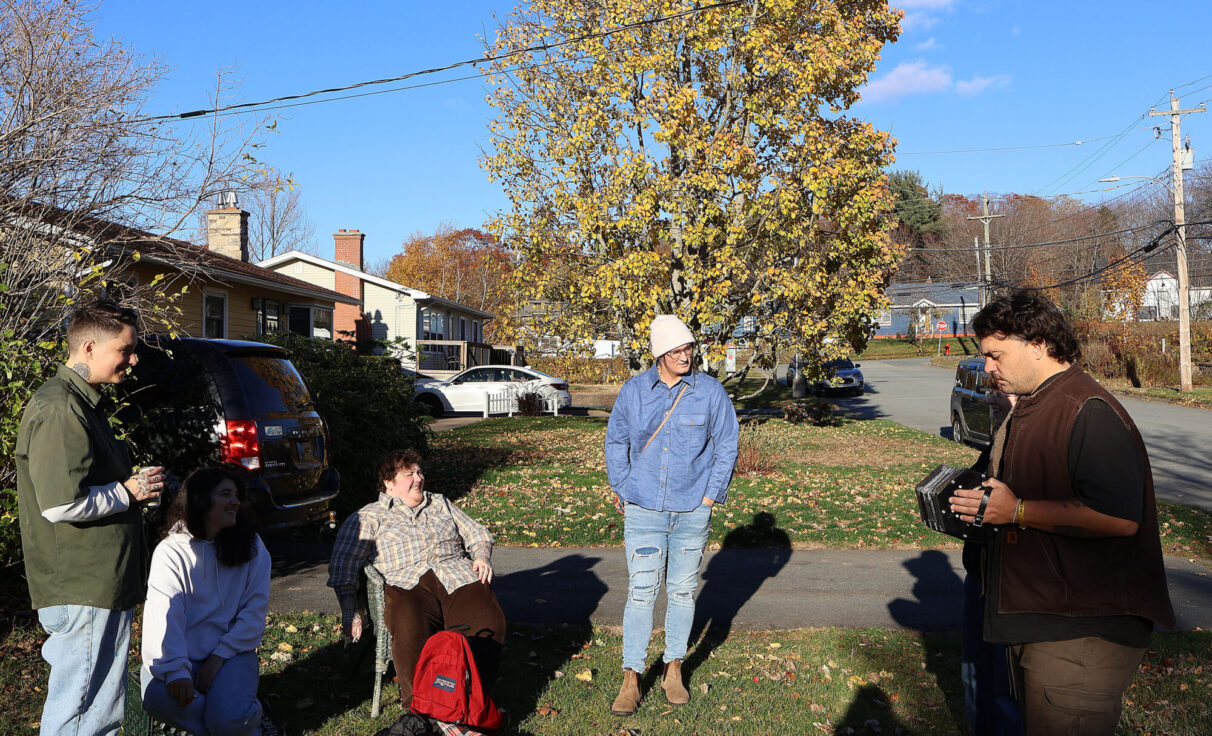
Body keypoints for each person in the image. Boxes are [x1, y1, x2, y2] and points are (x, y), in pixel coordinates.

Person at [950, 291, 1174, 736]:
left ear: (1038, 344)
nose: (988, 368)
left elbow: (1118, 517)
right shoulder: (1036, 405)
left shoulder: (1086, 410)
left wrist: (1016, 511)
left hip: (1082, 635)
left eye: (996, 355)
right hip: (1048, 621)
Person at [16, 300, 165, 735]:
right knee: (77, 712)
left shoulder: (84, 403)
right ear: (88, 347)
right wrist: (128, 491)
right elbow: (62, 503)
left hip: (101, 585)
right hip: (82, 587)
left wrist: (132, 491)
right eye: (125, 350)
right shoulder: (61, 408)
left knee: (99, 711)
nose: (133, 359)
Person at [604, 314, 739, 716]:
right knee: (641, 593)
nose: (686, 355)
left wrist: (710, 497)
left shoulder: (710, 392)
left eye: (689, 348)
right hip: (643, 508)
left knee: (681, 592)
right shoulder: (633, 392)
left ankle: (674, 668)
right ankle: (632, 676)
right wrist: (624, 487)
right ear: (659, 354)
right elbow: (616, 441)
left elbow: (726, 444)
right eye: (677, 350)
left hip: (692, 510)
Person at [327, 448, 507, 709]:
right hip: (405, 584)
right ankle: (419, 706)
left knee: (488, 620)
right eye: (408, 474)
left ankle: (473, 696)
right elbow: (344, 564)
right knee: (411, 625)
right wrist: (350, 609)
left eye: (419, 471)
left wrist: (481, 556)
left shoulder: (440, 503)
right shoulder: (368, 517)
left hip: (455, 575)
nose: (418, 478)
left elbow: (477, 533)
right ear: (389, 483)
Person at [141, 466, 271, 736]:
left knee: (224, 719)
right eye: (225, 494)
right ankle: (242, 720)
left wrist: (218, 657)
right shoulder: (171, 551)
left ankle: (241, 719)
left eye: (236, 494)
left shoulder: (252, 546)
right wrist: (176, 671)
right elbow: (164, 614)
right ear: (200, 500)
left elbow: (254, 612)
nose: (235, 501)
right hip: (180, 656)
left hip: (231, 655)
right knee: (156, 699)